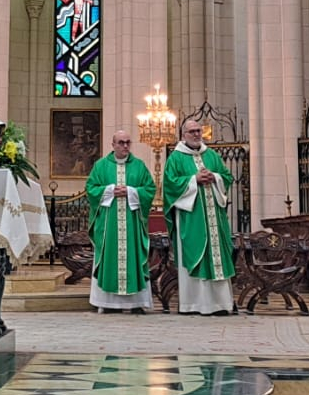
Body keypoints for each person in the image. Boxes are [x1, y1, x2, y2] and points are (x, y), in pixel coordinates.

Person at [163, 117, 235, 315]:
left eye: (198, 131)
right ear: (183, 135)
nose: (196, 134)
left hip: (214, 218)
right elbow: (169, 185)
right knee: (195, 255)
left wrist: (215, 177)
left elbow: (227, 177)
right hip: (191, 218)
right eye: (191, 131)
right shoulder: (176, 158)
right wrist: (193, 179)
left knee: (217, 257)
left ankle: (221, 304)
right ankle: (193, 304)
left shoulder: (211, 155)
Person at [85, 130, 155, 313]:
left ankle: (136, 303)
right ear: (113, 145)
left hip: (132, 225)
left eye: (128, 142)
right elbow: (90, 188)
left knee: (133, 256)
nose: (125, 146)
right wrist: (109, 191)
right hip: (109, 225)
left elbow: (149, 189)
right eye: (121, 142)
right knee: (110, 258)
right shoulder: (101, 166)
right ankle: (109, 304)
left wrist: (131, 191)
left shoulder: (139, 166)